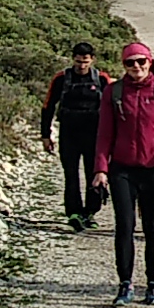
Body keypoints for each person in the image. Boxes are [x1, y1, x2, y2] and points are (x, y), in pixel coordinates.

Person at [89, 42, 154, 307]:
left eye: (141, 62)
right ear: (124, 65)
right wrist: (100, 168)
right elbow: (104, 134)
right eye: (130, 63)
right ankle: (125, 283)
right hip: (123, 168)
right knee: (124, 226)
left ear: (149, 62)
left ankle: (153, 283)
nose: (136, 67)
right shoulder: (114, 92)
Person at [38, 43, 110, 230]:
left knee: (92, 174)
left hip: (94, 134)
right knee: (70, 174)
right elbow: (48, 106)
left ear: (92, 59)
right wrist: (45, 135)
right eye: (78, 61)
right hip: (69, 133)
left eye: (85, 61)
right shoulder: (61, 79)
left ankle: (90, 212)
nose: (81, 65)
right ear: (73, 59)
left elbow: (113, 108)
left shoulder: (102, 79)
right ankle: (74, 213)